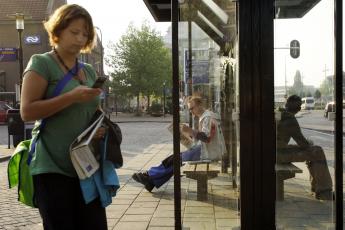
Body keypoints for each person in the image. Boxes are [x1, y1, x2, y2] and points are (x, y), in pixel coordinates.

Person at [20, 4, 108, 229]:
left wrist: (96, 129)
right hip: (52, 168)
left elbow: (92, 110)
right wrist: (71, 97)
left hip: (86, 167)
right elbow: (27, 111)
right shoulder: (42, 63)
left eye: (85, 34)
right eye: (74, 32)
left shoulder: (88, 71)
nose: (80, 39)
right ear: (57, 31)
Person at [132, 96, 226, 192]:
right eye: (189, 109)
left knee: (175, 159)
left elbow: (206, 138)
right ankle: (151, 180)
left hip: (207, 153)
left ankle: (150, 176)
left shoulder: (208, 117)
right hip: (205, 150)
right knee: (174, 159)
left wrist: (189, 130)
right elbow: (204, 137)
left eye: (192, 108)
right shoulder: (206, 116)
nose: (191, 112)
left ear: (200, 105)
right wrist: (187, 136)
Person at [277, 95, 333, 200]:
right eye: (299, 106)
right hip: (278, 154)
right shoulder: (289, 118)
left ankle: (317, 187)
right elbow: (303, 144)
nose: (299, 108)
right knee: (317, 151)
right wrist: (309, 144)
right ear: (298, 108)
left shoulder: (279, 113)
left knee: (312, 151)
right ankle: (324, 192)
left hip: (273, 150)